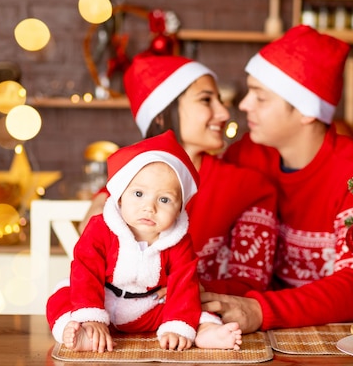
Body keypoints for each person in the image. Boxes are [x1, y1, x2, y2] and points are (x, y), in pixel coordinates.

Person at [201, 25, 353, 333]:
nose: (245, 104)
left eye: (260, 97)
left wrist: (260, 309)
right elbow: (186, 179)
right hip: (275, 332)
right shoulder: (249, 154)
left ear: (306, 111)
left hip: (351, 339)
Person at [78, 54, 278, 297]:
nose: (224, 113)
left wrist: (188, 290)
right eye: (206, 100)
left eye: (220, 100)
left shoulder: (248, 188)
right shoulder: (122, 189)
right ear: (161, 115)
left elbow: (251, 283)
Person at [46, 131, 243, 352]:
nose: (150, 207)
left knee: (193, 302)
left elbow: (183, 283)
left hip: (148, 307)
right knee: (61, 295)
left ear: (180, 209)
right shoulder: (101, 227)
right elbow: (85, 270)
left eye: (164, 199)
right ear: (120, 196)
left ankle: (207, 331)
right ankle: (79, 333)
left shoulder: (178, 241)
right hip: (104, 298)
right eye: (139, 194)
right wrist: (92, 315)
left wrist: (178, 326)